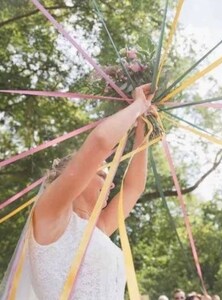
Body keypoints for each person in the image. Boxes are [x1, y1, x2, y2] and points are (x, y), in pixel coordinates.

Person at [0, 84, 155, 299]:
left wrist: (143, 126)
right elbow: (100, 142)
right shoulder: (52, 215)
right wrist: (138, 105)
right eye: (103, 175)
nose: (111, 185)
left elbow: (134, 187)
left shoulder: (98, 227)